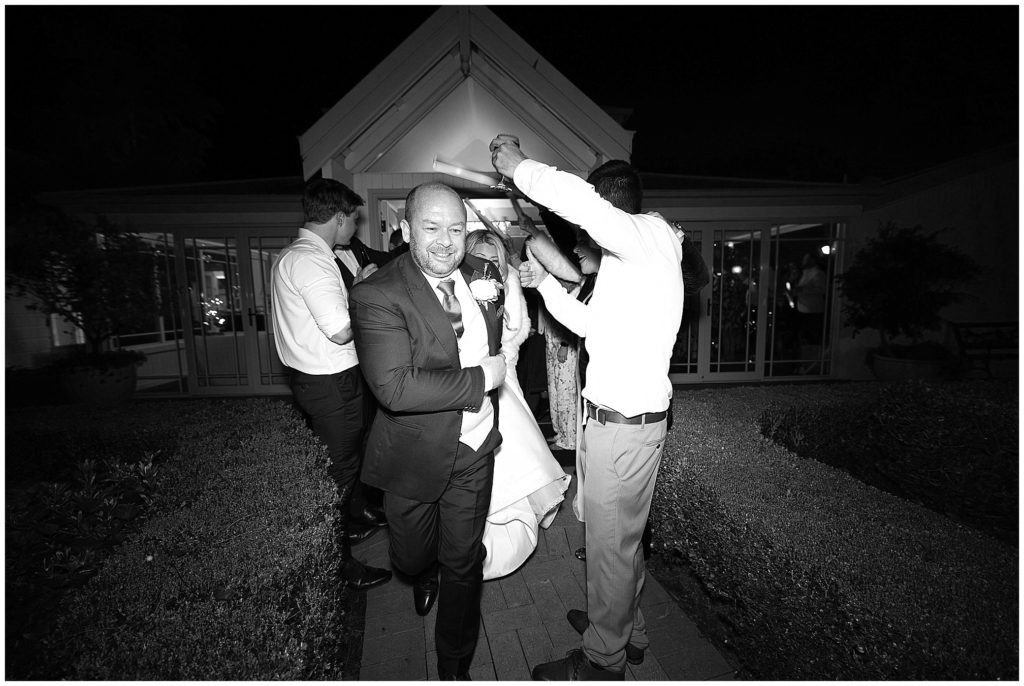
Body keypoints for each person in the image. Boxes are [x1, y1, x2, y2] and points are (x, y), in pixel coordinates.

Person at [492, 137, 684, 681]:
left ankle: (603, 658)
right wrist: (546, 287)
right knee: (617, 546)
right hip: (617, 428)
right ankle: (628, 631)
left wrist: (519, 168)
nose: (583, 235)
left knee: (609, 550)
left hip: (623, 432)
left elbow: (580, 203)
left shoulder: (644, 237)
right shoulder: (638, 262)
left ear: (608, 205)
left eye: (592, 216)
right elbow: (591, 327)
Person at [349, 182, 508, 681]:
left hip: (475, 445)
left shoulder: (485, 274)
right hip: (414, 455)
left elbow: (496, 334)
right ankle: (423, 569)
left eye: (456, 228)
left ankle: (453, 665)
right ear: (405, 229)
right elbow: (395, 388)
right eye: (431, 227)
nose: (445, 241)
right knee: (413, 556)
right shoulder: (377, 294)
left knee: (464, 563)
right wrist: (485, 378)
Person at [270, 178, 392, 592]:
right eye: (352, 220)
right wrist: (365, 296)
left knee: (351, 460)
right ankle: (341, 564)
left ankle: (357, 519)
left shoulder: (300, 254)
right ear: (337, 218)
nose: (354, 228)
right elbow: (341, 330)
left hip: (324, 379)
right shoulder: (311, 261)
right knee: (340, 472)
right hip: (330, 382)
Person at [464, 229, 572, 580]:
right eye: (479, 258)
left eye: (493, 258)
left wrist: (498, 361)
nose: (488, 265)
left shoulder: (509, 281)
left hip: (501, 375)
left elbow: (518, 331)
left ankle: (503, 540)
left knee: (511, 452)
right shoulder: (456, 284)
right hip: (466, 380)